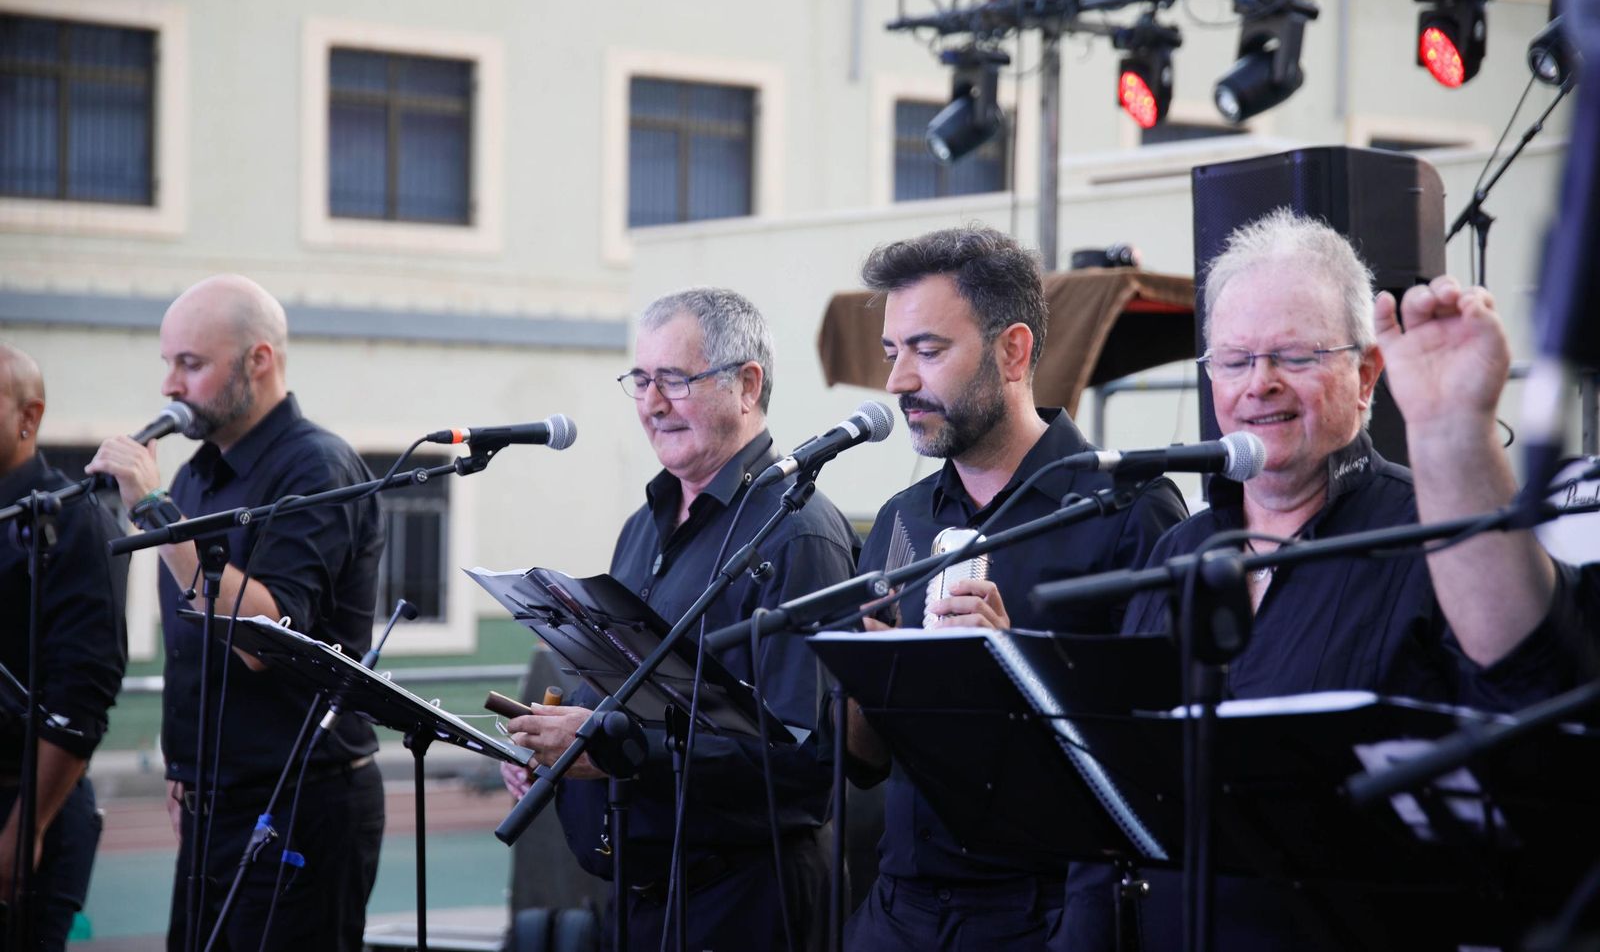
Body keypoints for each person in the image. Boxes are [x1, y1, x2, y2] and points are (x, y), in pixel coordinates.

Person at [1064, 210, 1597, 950]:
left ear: (1367, 375)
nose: (1261, 385)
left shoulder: (1439, 528)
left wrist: (1455, 436)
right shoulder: (1177, 549)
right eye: (1235, 359)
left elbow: (1537, 684)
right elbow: (1115, 807)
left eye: (1295, 355)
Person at [841, 226, 1188, 952]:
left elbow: (1157, 770)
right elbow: (864, 762)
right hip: (898, 908)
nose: (899, 381)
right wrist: (865, 676)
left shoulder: (1127, 507)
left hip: (1050, 914)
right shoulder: (901, 523)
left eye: (928, 350)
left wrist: (1013, 665)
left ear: (1014, 351)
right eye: (891, 353)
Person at [501, 287, 858, 952]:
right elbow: (619, 683)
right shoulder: (645, 525)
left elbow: (808, 766)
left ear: (748, 385)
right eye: (640, 380)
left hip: (745, 903)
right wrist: (559, 745)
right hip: (639, 898)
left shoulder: (800, 536)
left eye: (673, 380)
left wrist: (617, 753)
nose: (651, 404)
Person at [87, 275, 385, 952]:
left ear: (260, 360)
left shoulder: (317, 468)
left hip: (299, 803)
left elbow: (264, 636)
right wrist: (186, 769)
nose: (170, 385)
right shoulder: (197, 477)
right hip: (213, 804)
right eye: (168, 363)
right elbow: (192, 644)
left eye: (191, 364)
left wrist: (156, 514)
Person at [0, 344, 128, 950]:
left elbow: (83, 691)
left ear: (29, 416)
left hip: (23, 804)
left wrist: (25, 830)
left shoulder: (73, 520)